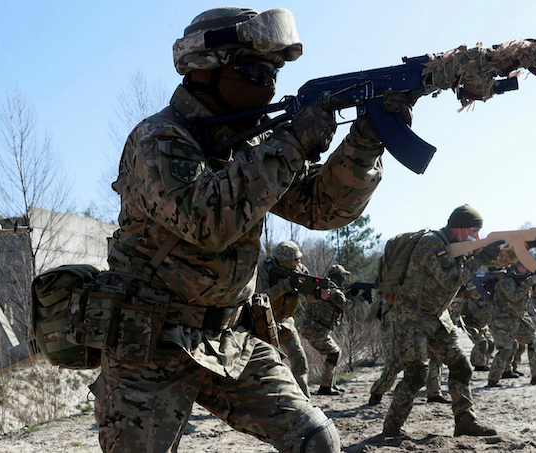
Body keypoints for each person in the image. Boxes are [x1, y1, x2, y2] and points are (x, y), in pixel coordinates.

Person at [97, 6, 408, 452]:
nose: (270, 86)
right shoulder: (159, 140)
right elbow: (206, 222)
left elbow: (322, 208)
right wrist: (292, 143)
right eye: (255, 73)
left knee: (317, 440)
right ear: (206, 71)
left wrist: (366, 139)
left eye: (274, 73)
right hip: (148, 343)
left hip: (228, 338)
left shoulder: (255, 144)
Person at [381, 204, 505, 438]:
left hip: (436, 316)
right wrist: (480, 258)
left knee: (461, 367)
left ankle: (465, 421)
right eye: (474, 231)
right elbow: (452, 280)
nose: (477, 236)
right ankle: (391, 429)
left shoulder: (454, 246)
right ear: (459, 229)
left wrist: (526, 244)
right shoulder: (432, 244)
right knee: (417, 372)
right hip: (411, 317)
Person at [257, 240, 332, 397]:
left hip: (286, 322)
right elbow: (261, 297)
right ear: (282, 260)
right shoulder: (265, 269)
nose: (298, 262)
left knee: (300, 361)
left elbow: (310, 296)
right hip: (263, 322)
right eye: (294, 259)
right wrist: (286, 285)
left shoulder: (300, 270)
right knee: (265, 365)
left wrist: (319, 295)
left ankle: (305, 401)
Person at [486, 263, 536, 387]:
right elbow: (514, 296)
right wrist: (529, 281)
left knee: (534, 341)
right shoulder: (506, 280)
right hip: (503, 320)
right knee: (506, 349)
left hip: (519, 319)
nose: (526, 269)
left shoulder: (523, 280)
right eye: (523, 267)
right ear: (516, 267)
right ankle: (493, 379)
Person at [367, 300, 446, 404]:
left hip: (422, 324)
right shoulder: (404, 289)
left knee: (436, 355)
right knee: (397, 362)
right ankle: (377, 392)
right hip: (398, 324)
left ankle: (434, 393)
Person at [297, 264, 355, 396]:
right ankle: (325, 387)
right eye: (342, 276)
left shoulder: (322, 287)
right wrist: (358, 298)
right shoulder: (334, 291)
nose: (344, 279)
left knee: (334, 352)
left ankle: (330, 385)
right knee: (334, 353)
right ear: (336, 276)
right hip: (316, 329)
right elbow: (346, 306)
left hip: (312, 328)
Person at [457, 288, 495, 372]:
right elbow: (478, 314)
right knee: (481, 343)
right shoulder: (471, 303)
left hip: (482, 325)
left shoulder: (484, 300)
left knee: (491, 343)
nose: (478, 295)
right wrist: (486, 305)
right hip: (471, 325)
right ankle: (478, 364)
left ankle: (484, 361)